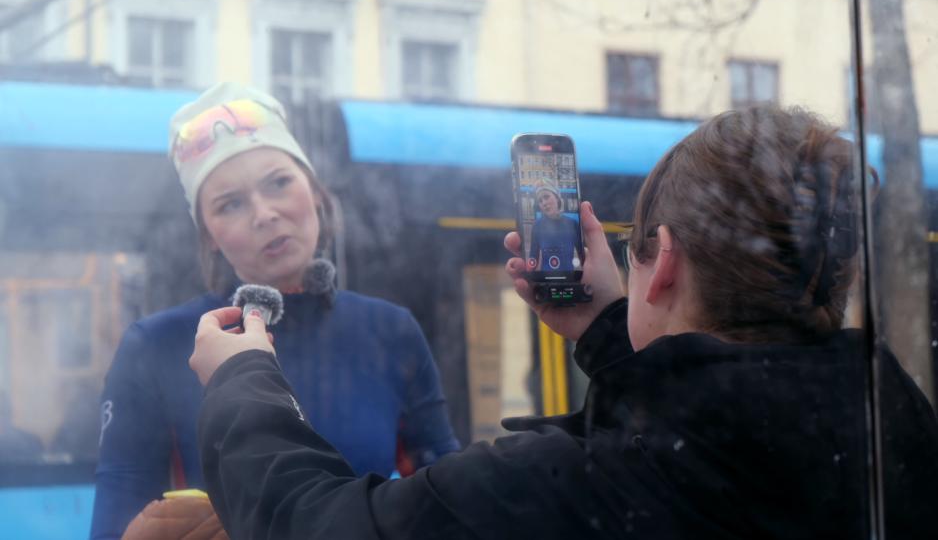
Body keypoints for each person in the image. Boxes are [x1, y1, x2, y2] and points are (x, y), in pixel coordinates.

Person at [189, 106, 938, 539]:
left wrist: (241, 380)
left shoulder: (559, 490)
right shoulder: (894, 433)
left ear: (664, 262)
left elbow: (311, 526)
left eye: (635, 257)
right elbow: (708, 430)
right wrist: (611, 328)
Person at [90, 83, 459, 539]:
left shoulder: (391, 331)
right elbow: (112, 521)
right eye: (230, 204)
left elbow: (449, 498)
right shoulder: (156, 345)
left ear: (316, 191)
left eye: (278, 182)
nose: (264, 213)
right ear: (209, 235)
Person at [528, 177, 583, 272]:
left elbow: (583, 256)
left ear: (557, 198)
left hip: (569, 280)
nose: (544, 203)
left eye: (546, 197)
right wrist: (529, 279)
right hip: (545, 282)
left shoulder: (573, 224)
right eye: (540, 201)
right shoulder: (537, 226)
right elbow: (533, 258)